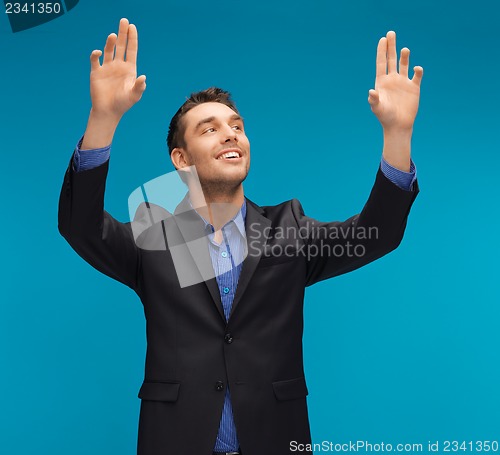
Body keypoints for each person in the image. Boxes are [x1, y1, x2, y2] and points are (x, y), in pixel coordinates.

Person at [58, 17, 423, 455]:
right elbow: (80, 225)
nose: (231, 133)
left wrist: (397, 133)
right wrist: (103, 119)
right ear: (181, 158)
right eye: (208, 129)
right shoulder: (153, 237)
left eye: (236, 125)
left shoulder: (290, 229)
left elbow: (377, 234)